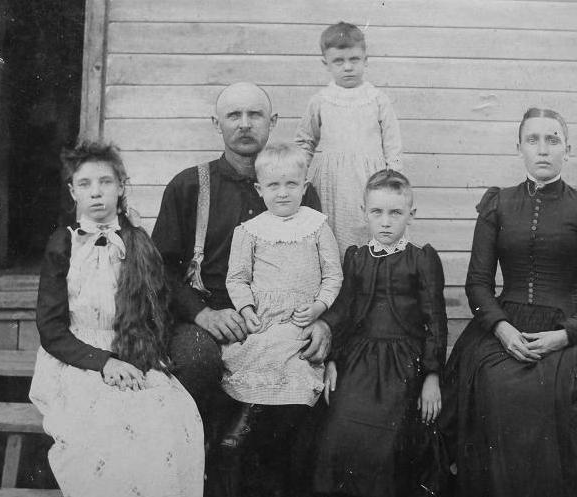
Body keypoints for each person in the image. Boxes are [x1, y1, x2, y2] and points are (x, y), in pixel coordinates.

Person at [439, 108, 577, 497]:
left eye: (553, 139)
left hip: (571, 331)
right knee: (494, 386)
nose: (543, 149)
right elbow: (478, 284)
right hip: (505, 325)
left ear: (568, 149)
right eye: (533, 139)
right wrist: (501, 329)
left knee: (563, 389)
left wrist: (563, 337)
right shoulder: (497, 205)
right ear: (519, 147)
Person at [151, 82, 332, 494]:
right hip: (211, 314)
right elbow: (159, 268)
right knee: (196, 360)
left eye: (255, 115)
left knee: (305, 375)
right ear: (217, 124)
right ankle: (202, 474)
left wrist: (326, 324)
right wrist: (202, 313)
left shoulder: (302, 191)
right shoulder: (189, 186)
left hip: (285, 316)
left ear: (273, 122)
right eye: (234, 115)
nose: (245, 124)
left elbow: (327, 268)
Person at [29, 141, 204, 497]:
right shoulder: (62, 244)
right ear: (72, 191)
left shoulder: (137, 242)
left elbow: (155, 312)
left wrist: (136, 359)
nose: (96, 193)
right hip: (76, 359)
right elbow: (51, 328)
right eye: (85, 184)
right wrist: (103, 362)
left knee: (170, 413)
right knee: (105, 423)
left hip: (132, 351)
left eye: (106, 182)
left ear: (121, 187)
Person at [313, 169, 448, 497]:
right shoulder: (357, 259)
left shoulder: (421, 259)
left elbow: (436, 321)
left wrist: (431, 376)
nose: (386, 222)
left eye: (395, 213)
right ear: (364, 213)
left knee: (387, 443)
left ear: (411, 215)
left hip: (404, 363)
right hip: (358, 360)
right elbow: (343, 313)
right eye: (377, 212)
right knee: (339, 431)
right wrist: (331, 361)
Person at [219, 142, 342, 496]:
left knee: (293, 359)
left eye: (291, 184)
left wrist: (319, 308)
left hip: (299, 319)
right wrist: (245, 309)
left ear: (305, 187)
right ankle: (248, 412)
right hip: (263, 319)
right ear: (260, 190)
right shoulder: (250, 230)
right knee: (261, 348)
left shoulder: (317, 226)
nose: (283, 192)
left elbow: (333, 275)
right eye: (273, 185)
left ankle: (267, 427)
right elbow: (237, 278)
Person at [295, 21, 403, 256]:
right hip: (332, 181)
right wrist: (297, 174)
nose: (347, 67)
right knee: (333, 232)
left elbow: (392, 144)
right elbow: (305, 141)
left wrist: (392, 179)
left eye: (354, 59)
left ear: (366, 59)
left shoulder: (377, 99)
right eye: (338, 61)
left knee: (370, 228)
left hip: (369, 178)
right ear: (326, 63)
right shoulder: (321, 100)